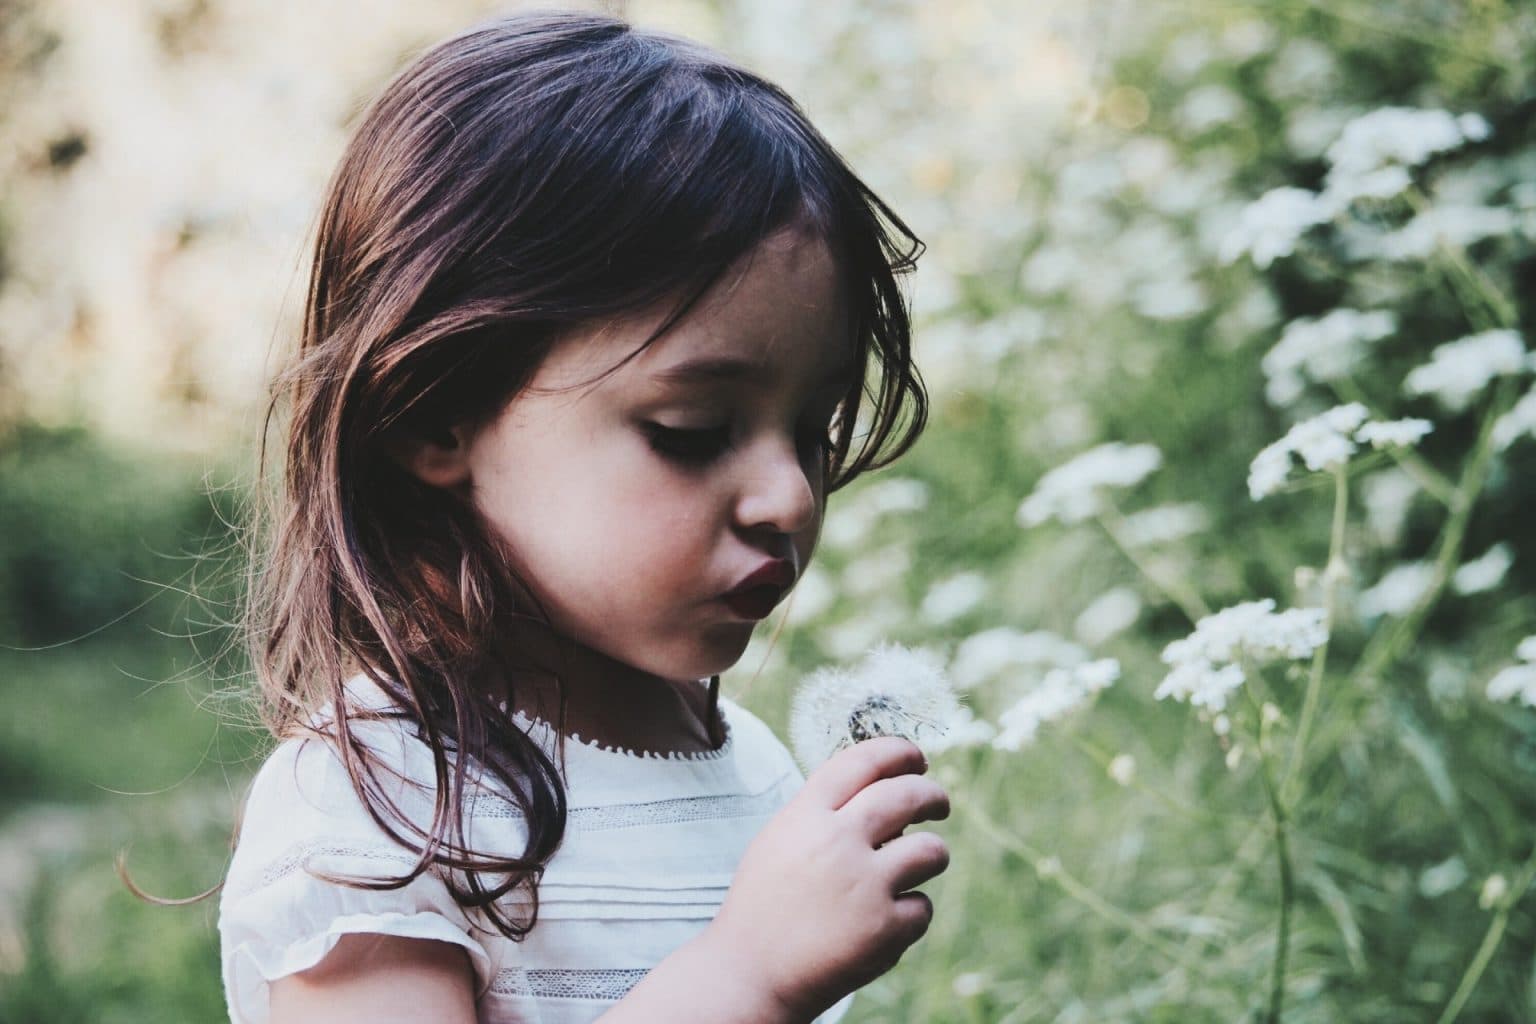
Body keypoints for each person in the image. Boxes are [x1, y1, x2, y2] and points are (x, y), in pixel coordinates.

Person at [218, 10, 950, 1023]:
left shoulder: (754, 768)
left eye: (816, 428)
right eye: (692, 429)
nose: (789, 496)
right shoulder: (370, 812)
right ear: (435, 412)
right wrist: (747, 975)